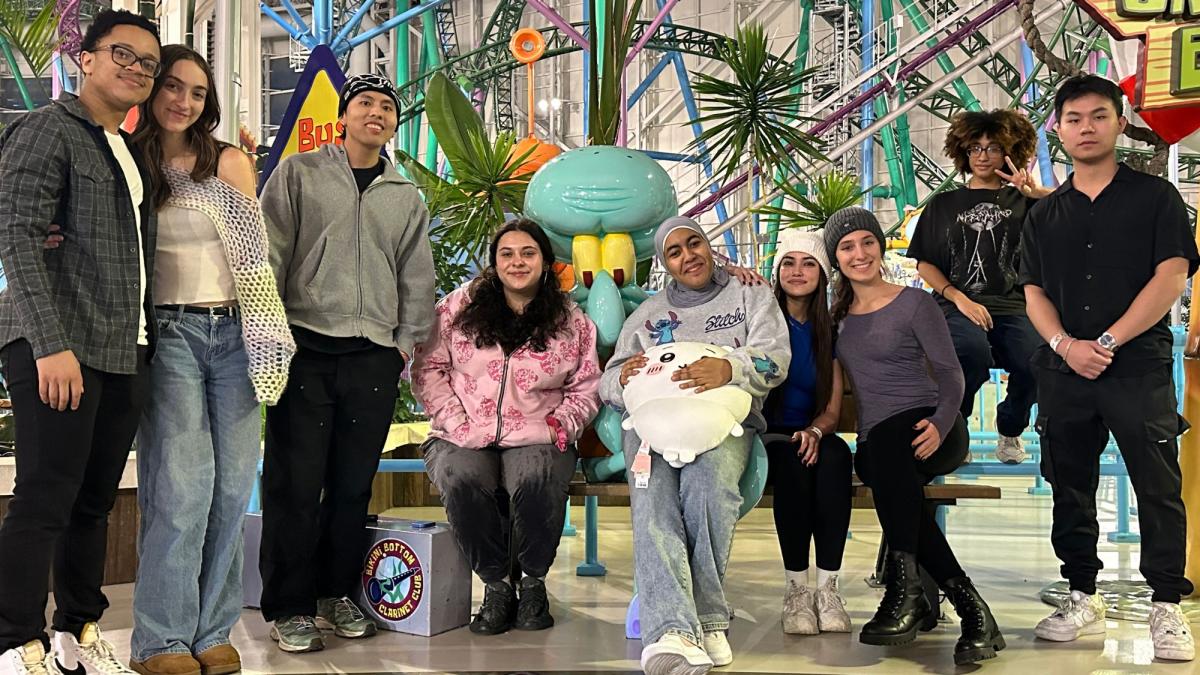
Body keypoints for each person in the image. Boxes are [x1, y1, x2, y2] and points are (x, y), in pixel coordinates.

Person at [121, 46, 295, 675]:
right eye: (171, 87)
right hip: (168, 333)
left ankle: (212, 630)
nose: (183, 102)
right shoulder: (133, 164)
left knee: (229, 487)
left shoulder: (228, 162)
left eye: (196, 93)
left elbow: (252, 262)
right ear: (151, 90)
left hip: (235, 334)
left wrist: (266, 336)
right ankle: (160, 640)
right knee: (182, 487)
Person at [0, 10, 161, 675]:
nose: (137, 69)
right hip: (60, 345)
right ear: (85, 59)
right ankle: (14, 640)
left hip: (122, 347)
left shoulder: (122, 147)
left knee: (92, 503)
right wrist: (49, 343)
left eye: (148, 64)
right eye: (123, 54)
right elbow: (16, 235)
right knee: (44, 496)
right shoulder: (46, 130)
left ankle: (76, 632)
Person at [258, 73, 436, 653]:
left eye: (387, 106)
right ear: (344, 115)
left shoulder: (404, 196)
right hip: (306, 347)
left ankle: (336, 593)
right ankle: (289, 605)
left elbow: (416, 276)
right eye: (365, 103)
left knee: (353, 485)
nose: (376, 113)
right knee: (294, 482)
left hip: (372, 356)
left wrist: (404, 344)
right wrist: (272, 332)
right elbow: (273, 251)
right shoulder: (299, 174)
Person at [1021, 75, 1196, 662]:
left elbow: (1171, 277)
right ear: (1058, 130)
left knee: (1157, 485)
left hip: (1136, 367)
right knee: (1069, 484)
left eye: (1099, 116)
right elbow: (1033, 293)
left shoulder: (1156, 199)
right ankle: (1079, 592)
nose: (1086, 127)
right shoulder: (1045, 215)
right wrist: (1066, 345)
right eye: (1074, 118)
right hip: (1065, 372)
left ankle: (1166, 604)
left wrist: (1106, 340)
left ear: (1121, 123)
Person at [600, 216, 789, 675]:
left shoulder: (750, 294)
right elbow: (609, 377)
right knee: (653, 503)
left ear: (709, 246)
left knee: (708, 492)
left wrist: (731, 369)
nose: (689, 256)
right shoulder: (647, 314)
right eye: (676, 252)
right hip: (649, 429)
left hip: (725, 424)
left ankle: (705, 621)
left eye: (694, 243)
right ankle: (670, 633)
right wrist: (620, 380)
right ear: (666, 264)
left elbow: (776, 358)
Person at [826, 207, 1004, 666]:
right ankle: (973, 611)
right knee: (883, 461)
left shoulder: (914, 303)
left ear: (880, 248)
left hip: (932, 427)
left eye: (867, 242)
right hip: (881, 442)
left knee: (887, 453)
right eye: (847, 247)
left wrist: (944, 421)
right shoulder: (837, 318)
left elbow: (950, 374)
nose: (859, 253)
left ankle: (905, 592)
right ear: (836, 259)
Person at [412, 219, 600, 635]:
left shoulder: (572, 320)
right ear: (493, 263)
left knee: (536, 477)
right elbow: (427, 369)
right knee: (461, 476)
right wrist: (459, 426)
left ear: (546, 262)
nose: (518, 262)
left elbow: (587, 386)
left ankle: (533, 583)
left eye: (528, 253)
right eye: (507, 254)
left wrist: (559, 426)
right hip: (461, 433)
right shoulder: (457, 308)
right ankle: (496, 585)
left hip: (538, 432)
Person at [907, 109, 1051, 464]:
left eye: (993, 147)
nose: (983, 155)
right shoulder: (943, 204)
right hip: (956, 304)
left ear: (1009, 152)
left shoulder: (1026, 201)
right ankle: (959, 432)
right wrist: (958, 298)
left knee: (1037, 361)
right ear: (964, 153)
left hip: (1013, 305)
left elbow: (1076, 213)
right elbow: (926, 262)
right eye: (975, 148)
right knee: (966, 355)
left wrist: (1036, 192)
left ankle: (1011, 427)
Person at [762, 229, 853, 636]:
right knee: (793, 467)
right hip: (769, 434)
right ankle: (797, 589)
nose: (797, 271)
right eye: (788, 263)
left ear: (823, 274)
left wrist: (816, 431)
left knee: (836, 459)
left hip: (812, 431)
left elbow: (833, 409)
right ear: (776, 270)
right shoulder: (761, 321)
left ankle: (828, 587)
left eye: (808, 263)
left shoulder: (828, 331)